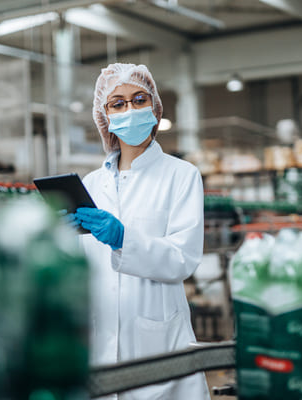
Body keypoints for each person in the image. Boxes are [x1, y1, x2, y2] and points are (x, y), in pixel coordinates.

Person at [72, 63, 211, 400]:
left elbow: (182, 259)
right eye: (117, 103)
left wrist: (125, 239)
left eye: (138, 99)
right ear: (105, 117)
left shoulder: (182, 175)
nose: (129, 109)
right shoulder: (91, 184)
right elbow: (82, 271)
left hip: (160, 343)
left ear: (154, 106)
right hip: (101, 342)